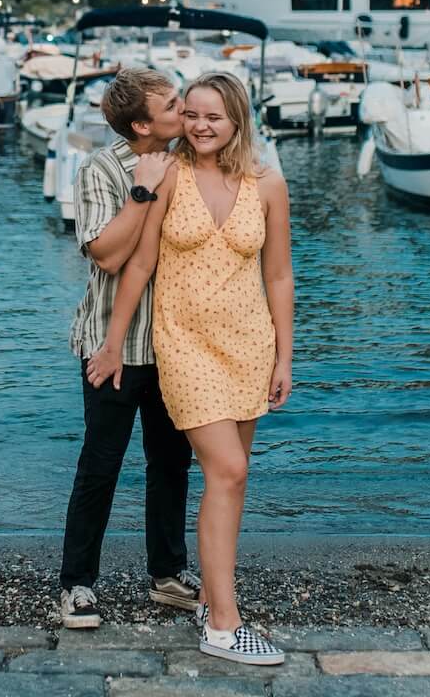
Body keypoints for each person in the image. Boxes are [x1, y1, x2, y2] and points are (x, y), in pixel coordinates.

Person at [87, 71, 294, 665]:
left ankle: (210, 598)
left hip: (249, 345)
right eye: (193, 114)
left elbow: (279, 275)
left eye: (213, 117)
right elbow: (140, 265)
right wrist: (113, 344)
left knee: (233, 479)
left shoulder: (269, 183)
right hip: (185, 345)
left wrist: (285, 355)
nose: (200, 126)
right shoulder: (169, 175)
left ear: (237, 121)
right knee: (227, 468)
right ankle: (225, 626)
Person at [57, 67, 201, 630]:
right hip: (110, 345)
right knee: (101, 465)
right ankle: (77, 585)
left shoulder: (190, 160)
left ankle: (167, 574)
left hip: (173, 345)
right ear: (142, 125)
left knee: (172, 463)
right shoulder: (101, 169)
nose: (183, 108)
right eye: (172, 105)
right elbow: (109, 255)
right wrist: (143, 190)